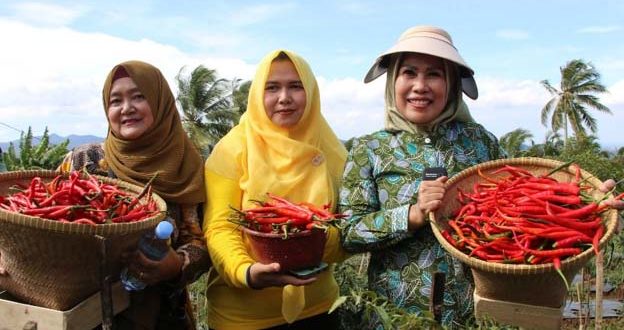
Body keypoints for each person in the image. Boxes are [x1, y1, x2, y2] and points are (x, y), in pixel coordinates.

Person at [58, 60, 211, 329]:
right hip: (83, 313)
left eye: (139, 96)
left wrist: (176, 265)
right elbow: (30, 216)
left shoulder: (185, 165)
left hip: (160, 315)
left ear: (160, 102)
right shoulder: (84, 160)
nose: (126, 108)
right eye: (115, 101)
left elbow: (198, 239)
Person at [202, 49, 348, 329]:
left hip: (318, 308)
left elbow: (351, 228)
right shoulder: (232, 150)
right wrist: (247, 272)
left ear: (311, 92)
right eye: (272, 88)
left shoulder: (333, 152)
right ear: (258, 94)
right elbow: (220, 227)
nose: (284, 97)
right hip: (243, 317)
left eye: (296, 86)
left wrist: (313, 244)